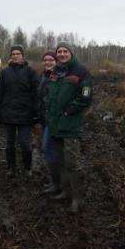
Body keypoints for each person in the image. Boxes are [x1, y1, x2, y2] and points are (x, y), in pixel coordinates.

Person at [44, 41, 93, 213]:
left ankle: (77, 200)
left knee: (72, 163)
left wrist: (68, 111)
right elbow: (49, 96)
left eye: (65, 51)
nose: (62, 54)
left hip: (70, 125)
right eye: (60, 51)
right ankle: (65, 192)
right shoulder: (55, 72)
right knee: (60, 161)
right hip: (55, 125)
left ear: (71, 53)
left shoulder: (81, 71)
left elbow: (85, 98)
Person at [0, 45, 39, 178]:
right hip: (8, 113)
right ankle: (11, 167)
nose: (15, 56)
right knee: (9, 143)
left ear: (23, 56)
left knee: (25, 142)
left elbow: (36, 94)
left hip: (26, 114)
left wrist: (36, 113)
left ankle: (28, 168)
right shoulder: (5, 72)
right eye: (13, 54)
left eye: (18, 53)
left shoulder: (30, 72)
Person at [37, 50, 62, 195]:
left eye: (50, 59)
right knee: (50, 151)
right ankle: (56, 182)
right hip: (45, 119)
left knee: (49, 149)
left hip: (54, 120)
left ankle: (58, 183)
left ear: (56, 61)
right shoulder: (44, 76)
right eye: (45, 60)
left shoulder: (57, 76)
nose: (47, 62)